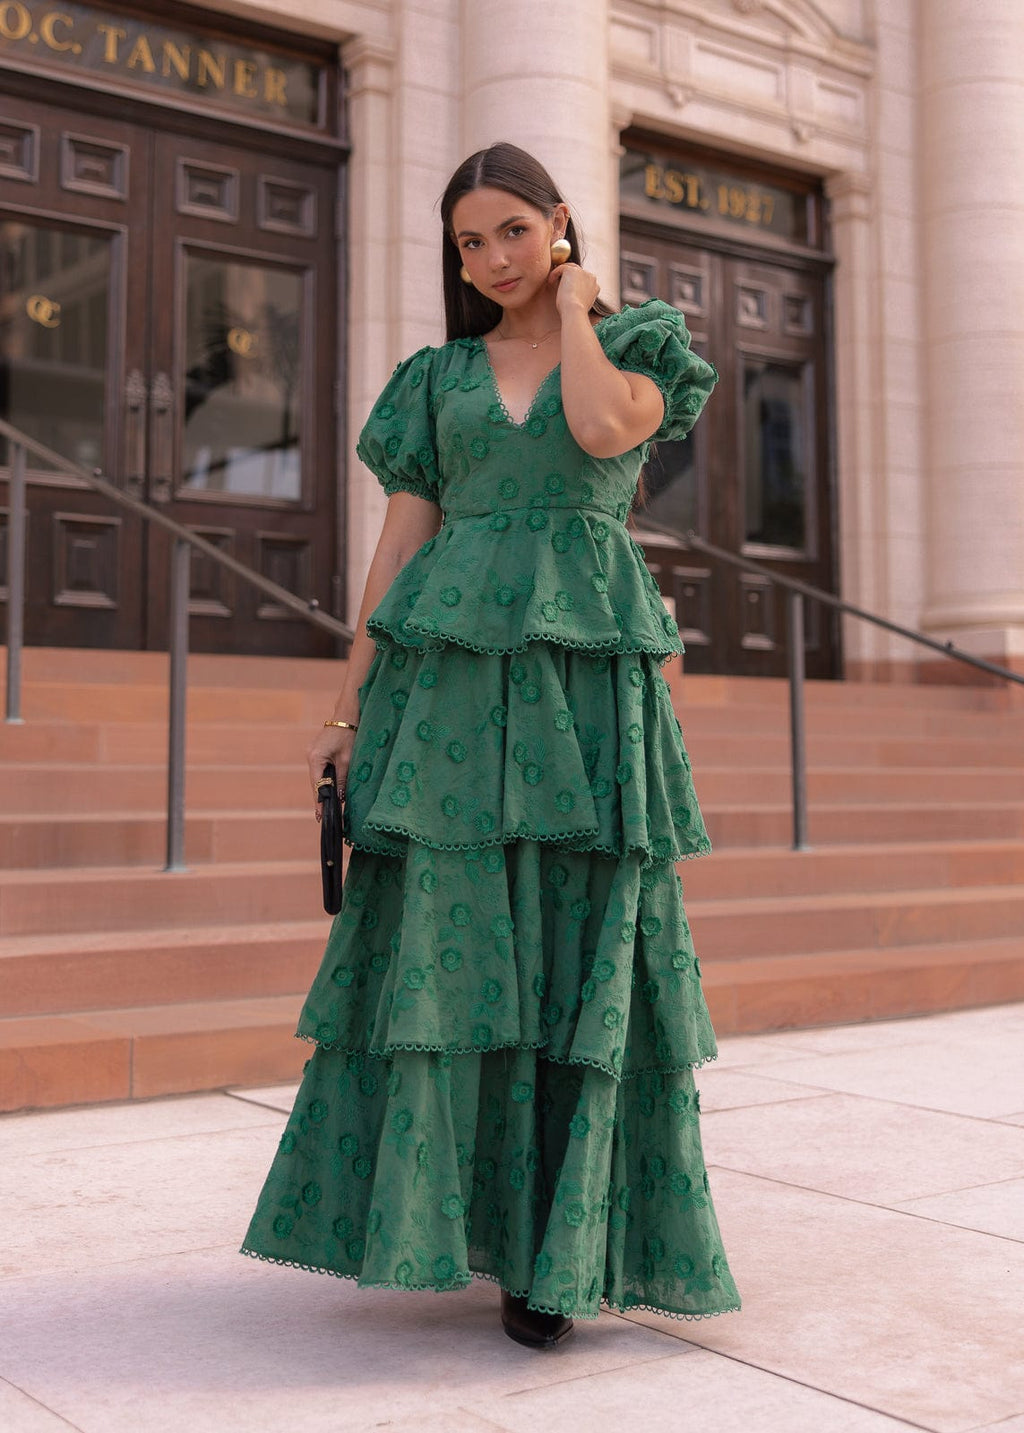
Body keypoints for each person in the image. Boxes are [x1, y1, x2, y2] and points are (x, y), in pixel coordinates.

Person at [241, 142, 740, 1348]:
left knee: (579, 938)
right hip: (452, 684)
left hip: (584, 682)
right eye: (469, 241)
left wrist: (575, 302)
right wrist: (351, 708)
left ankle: (555, 1257)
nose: (489, 258)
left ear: (557, 223)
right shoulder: (433, 378)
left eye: (512, 230)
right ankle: (460, 1224)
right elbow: (400, 545)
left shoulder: (632, 349)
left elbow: (603, 425)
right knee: (463, 945)